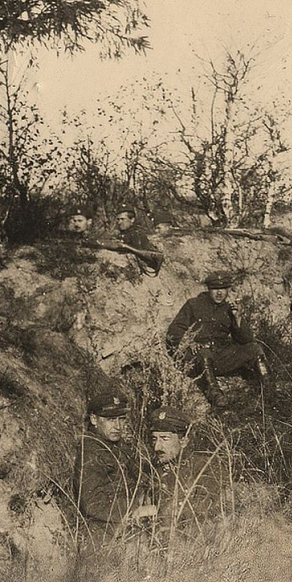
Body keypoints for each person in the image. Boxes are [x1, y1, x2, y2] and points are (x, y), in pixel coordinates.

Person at [166, 271, 268, 406]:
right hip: (196, 357)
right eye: (215, 289)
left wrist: (238, 319)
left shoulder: (229, 309)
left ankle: (268, 390)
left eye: (223, 289)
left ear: (228, 290)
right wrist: (188, 342)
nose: (219, 293)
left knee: (255, 348)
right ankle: (215, 395)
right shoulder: (194, 305)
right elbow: (174, 331)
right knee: (204, 353)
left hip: (219, 356)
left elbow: (246, 340)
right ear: (208, 289)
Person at [72, 392, 150, 543]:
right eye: (110, 420)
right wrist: (136, 509)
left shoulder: (116, 446)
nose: (118, 426)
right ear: (94, 419)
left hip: (126, 527)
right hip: (106, 534)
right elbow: (91, 503)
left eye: (121, 419)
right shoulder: (90, 451)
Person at [147, 406, 231, 535]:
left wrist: (156, 511)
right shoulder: (152, 468)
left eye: (165, 439)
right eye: (154, 439)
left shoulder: (206, 465)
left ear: (183, 441)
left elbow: (202, 508)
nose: (157, 447)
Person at [106, 204, 164, 274]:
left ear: (132, 219)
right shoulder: (122, 233)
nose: (119, 222)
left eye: (122, 219)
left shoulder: (137, 234)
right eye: (118, 219)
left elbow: (139, 257)